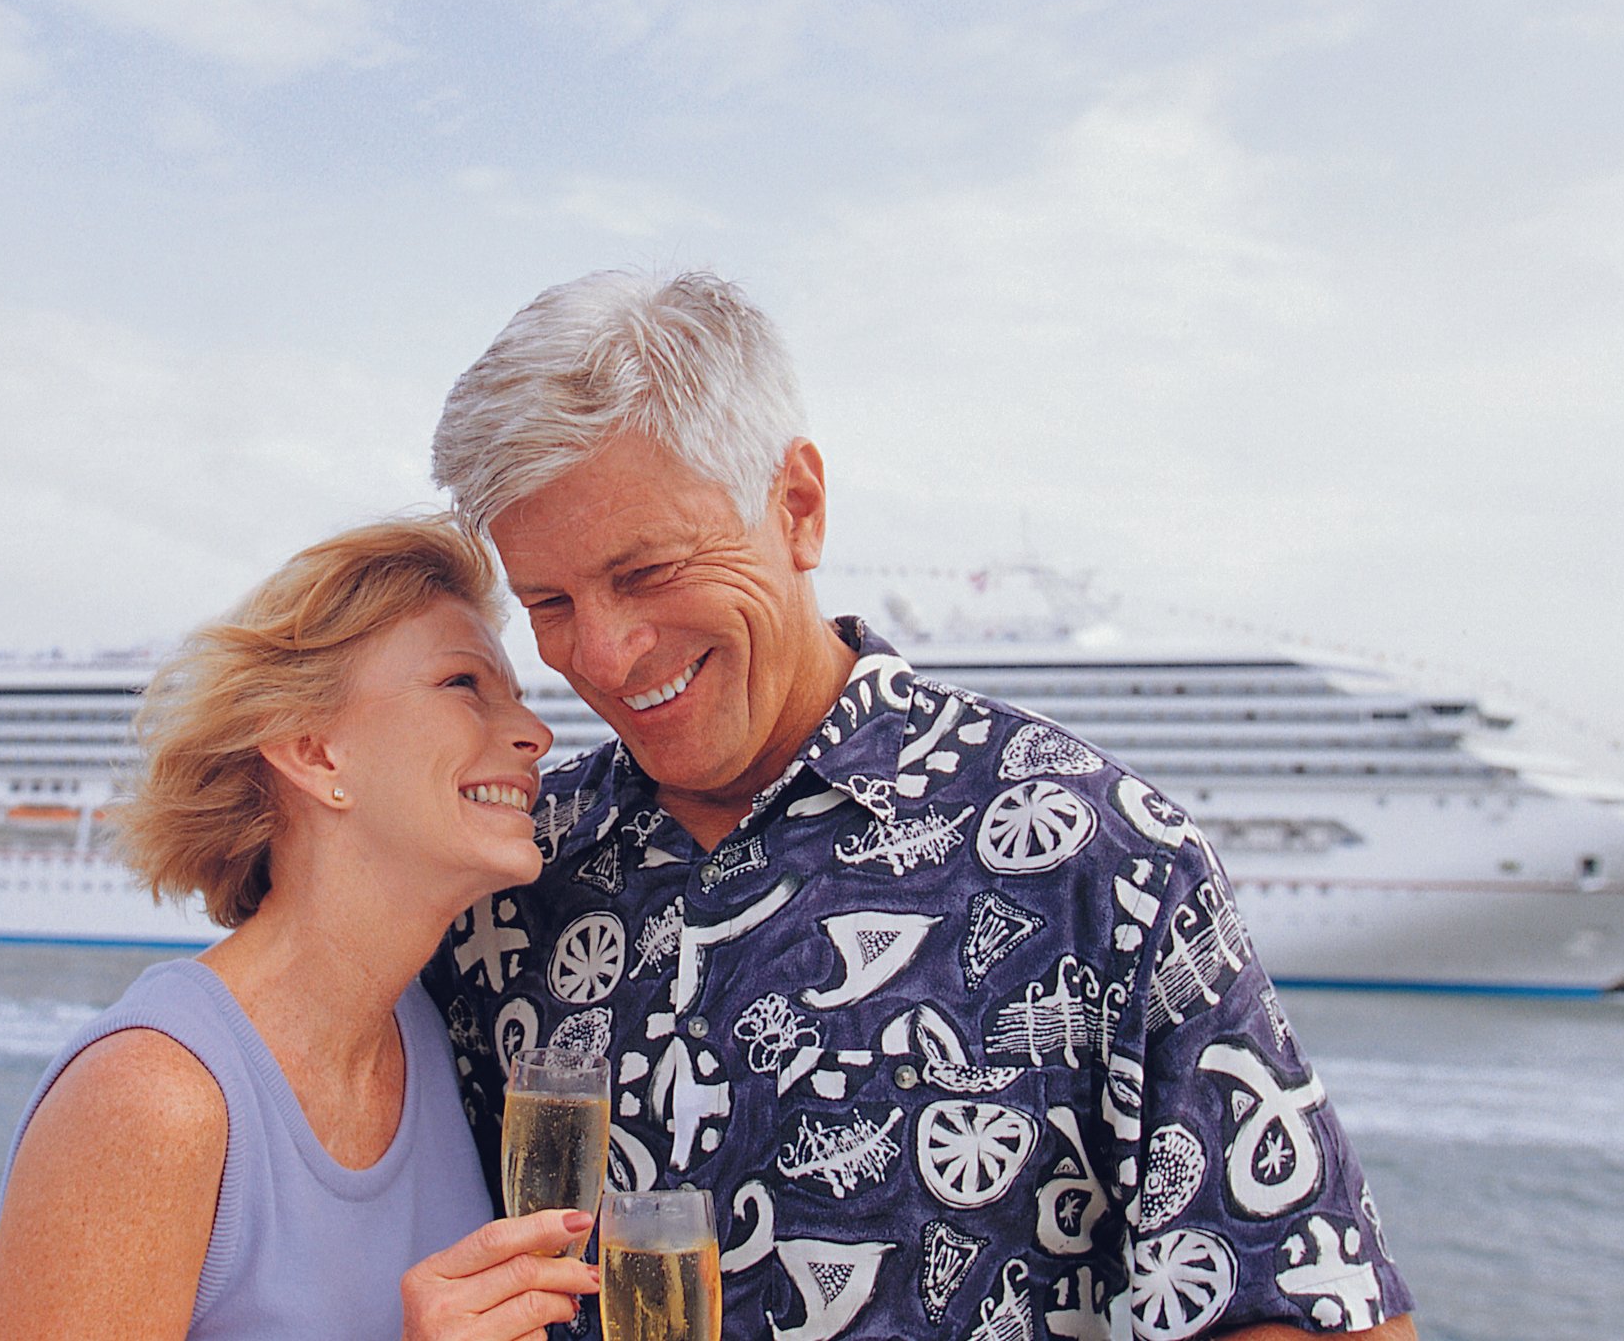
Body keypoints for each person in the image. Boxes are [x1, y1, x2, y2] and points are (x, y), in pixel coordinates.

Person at [424, 271, 1418, 1340]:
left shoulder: (1099, 855)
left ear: (797, 506)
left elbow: (1307, 1305)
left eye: (651, 570)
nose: (606, 656)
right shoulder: (497, 875)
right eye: (551, 604)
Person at [0, 515, 600, 1340]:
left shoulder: (436, 1029)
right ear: (313, 751)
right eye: (463, 685)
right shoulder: (154, 1103)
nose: (536, 734)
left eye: (517, 696)